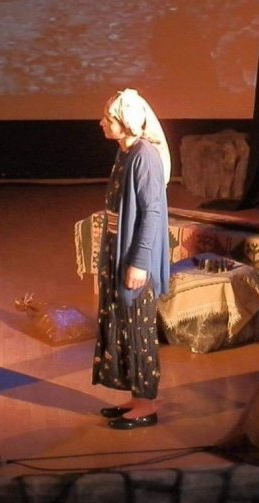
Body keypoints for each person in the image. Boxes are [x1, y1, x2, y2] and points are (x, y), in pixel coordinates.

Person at [92, 88, 170, 430]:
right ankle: (136, 397)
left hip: (134, 255)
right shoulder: (125, 152)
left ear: (126, 122)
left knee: (138, 328)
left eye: (108, 118)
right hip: (118, 250)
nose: (102, 123)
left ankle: (147, 404)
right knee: (122, 324)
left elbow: (152, 213)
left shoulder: (144, 157)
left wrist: (139, 262)